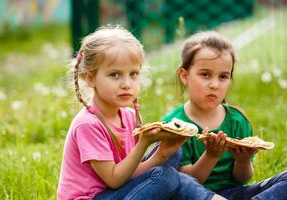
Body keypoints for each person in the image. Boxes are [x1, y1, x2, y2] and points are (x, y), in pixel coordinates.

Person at [57, 26, 225, 200]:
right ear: (90, 78)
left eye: (133, 74)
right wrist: (144, 143)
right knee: (164, 176)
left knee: (173, 156)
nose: (126, 84)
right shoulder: (88, 124)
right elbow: (114, 180)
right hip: (96, 196)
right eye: (115, 75)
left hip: (117, 191)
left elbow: (131, 174)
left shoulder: (128, 115)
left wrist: (162, 154)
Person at [163, 30, 287, 200]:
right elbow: (186, 184)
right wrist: (211, 156)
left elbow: (242, 179)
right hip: (198, 195)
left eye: (223, 77)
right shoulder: (174, 124)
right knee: (182, 184)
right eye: (205, 74)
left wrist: (242, 160)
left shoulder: (237, 120)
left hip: (235, 194)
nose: (214, 85)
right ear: (184, 76)